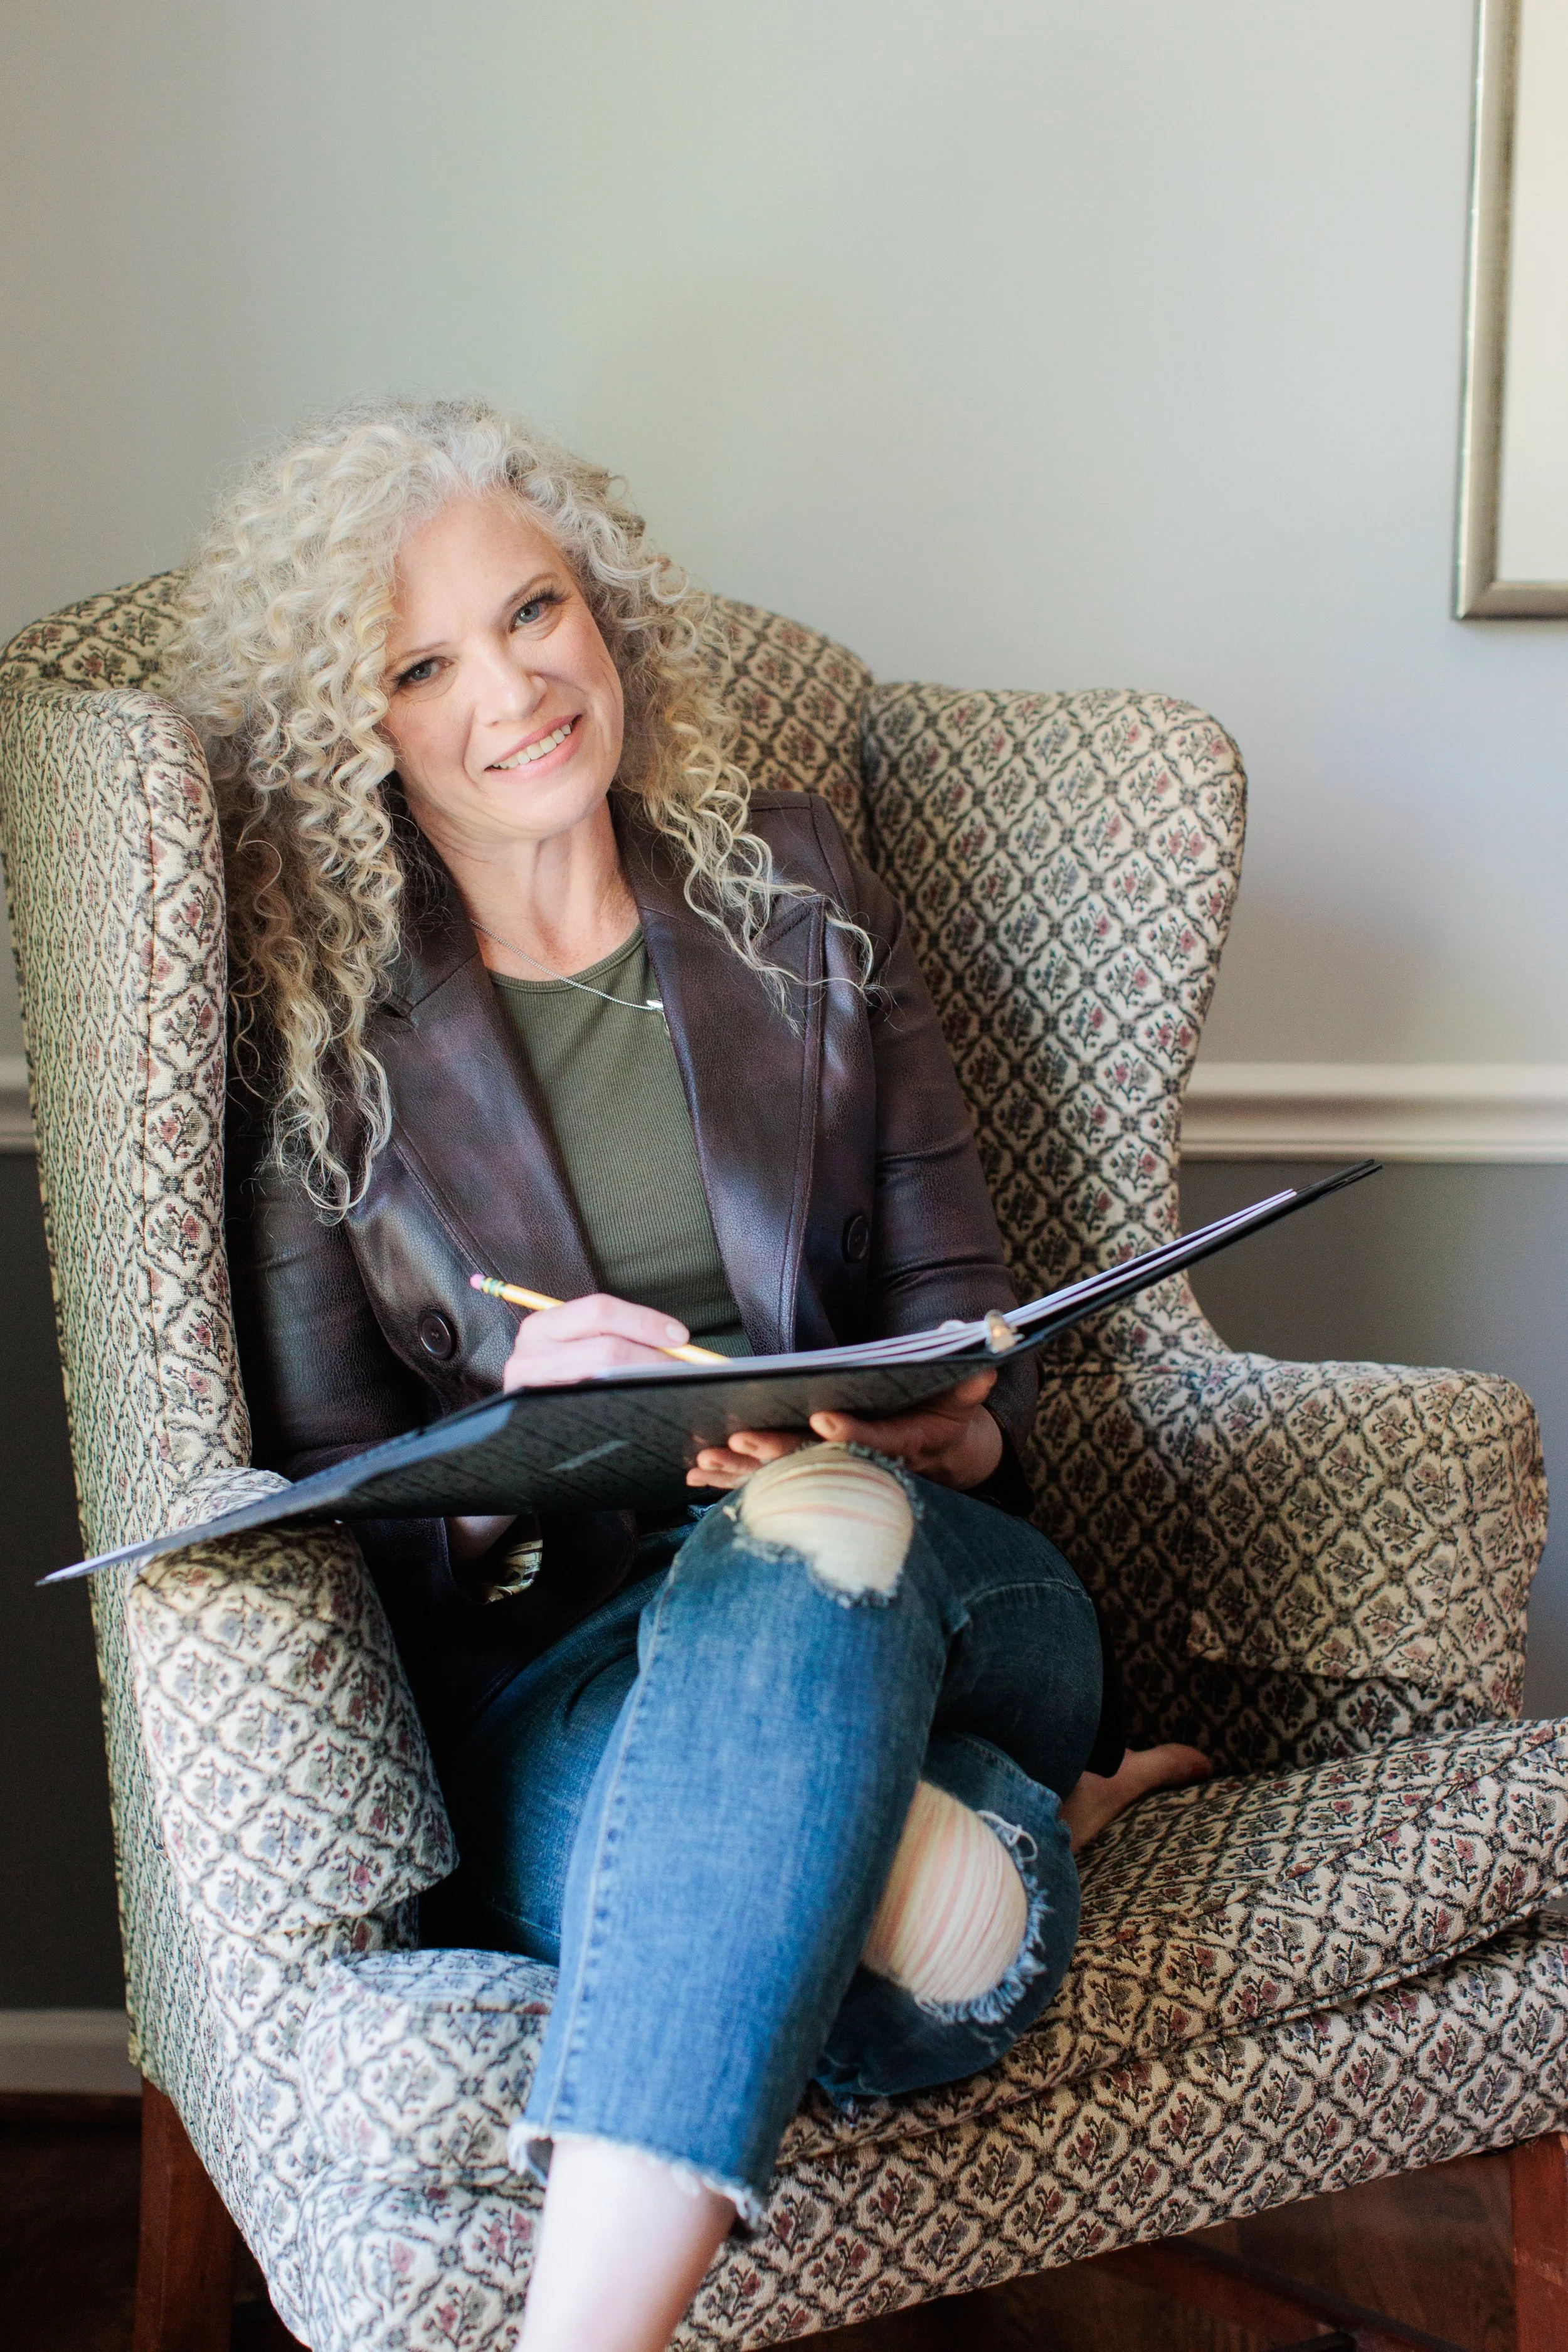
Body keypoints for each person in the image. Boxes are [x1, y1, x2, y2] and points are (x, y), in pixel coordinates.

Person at [169, 397, 1207, 2352]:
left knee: (813, 1517)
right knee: (940, 1931)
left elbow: (975, 1340)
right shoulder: (326, 1041)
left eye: (536, 609)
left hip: (930, 1566)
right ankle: (1023, 1814)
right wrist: (514, 1421)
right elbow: (324, 1494)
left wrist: (941, 1413)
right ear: (359, 729)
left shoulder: (795, 897)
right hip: (562, 1671)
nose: (514, 684)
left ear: (605, 613)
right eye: (424, 660)